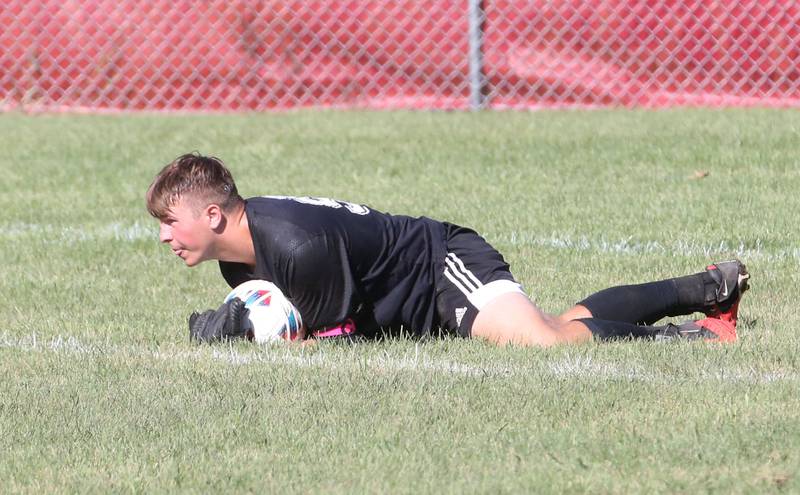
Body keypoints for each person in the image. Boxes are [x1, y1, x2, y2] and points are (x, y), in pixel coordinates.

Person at [146, 152, 750, 346]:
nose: (166, 236)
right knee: (560, 324)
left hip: (441, 264)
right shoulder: (237, 259)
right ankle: (707, 288)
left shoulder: (296, 244)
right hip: (413, 297)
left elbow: (335, 338)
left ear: (215, 213)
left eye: (171, 222)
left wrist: (236, 331)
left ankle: (695, 338)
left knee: (542, 342)